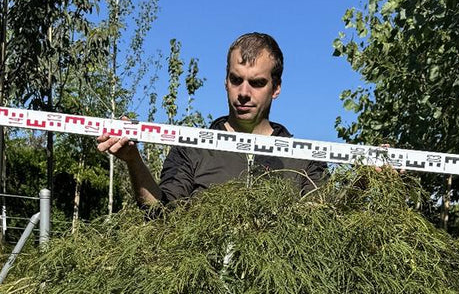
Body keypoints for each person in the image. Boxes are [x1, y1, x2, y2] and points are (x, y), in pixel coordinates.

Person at [97, 32, 327, 206]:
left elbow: (326, 225)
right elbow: (160, 215)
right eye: (236, 80)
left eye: (257, 83)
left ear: (276, 88)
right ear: (226, 81)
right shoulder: (191, 148)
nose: (244, 92)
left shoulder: (304, 159)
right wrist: (133, 160)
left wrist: (363, 180)